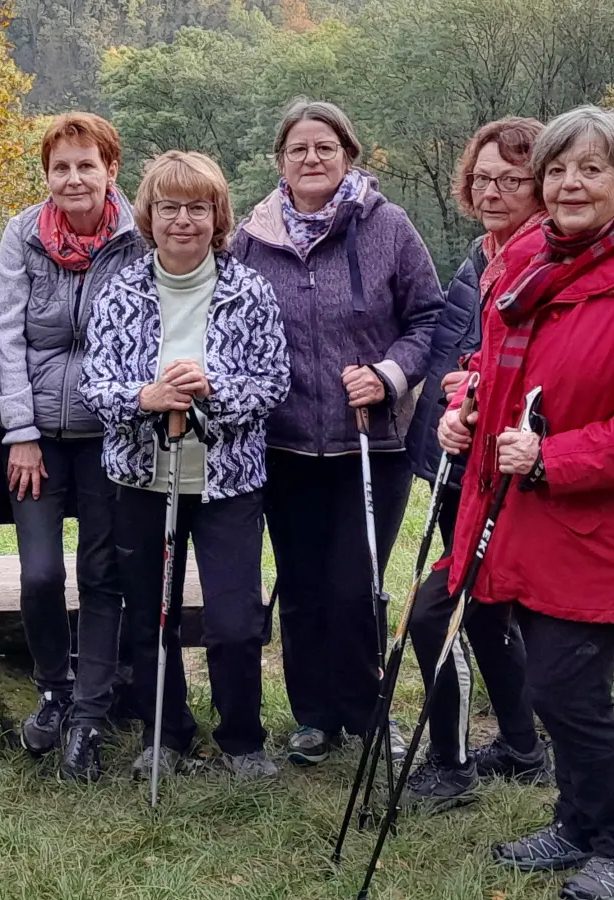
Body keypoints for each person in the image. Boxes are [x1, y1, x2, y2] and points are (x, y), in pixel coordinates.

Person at [440, 105, 614, 900]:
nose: (568, 183)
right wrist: (470, 413)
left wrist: (551, 457)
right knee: (550, 683)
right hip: (526, 513)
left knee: (567, 687)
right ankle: (576, 821)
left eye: (589, 169)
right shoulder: (542, 265)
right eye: (556, 168)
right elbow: (512, 377)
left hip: (597, 524)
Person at [230, 98, 442, 766]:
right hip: (284, 440)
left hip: (368, 441)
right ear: (279, 161)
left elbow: (431, 320)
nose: (311, 159)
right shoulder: (251, 238)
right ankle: (313, 716)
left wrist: (387, 374)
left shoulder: (387, 227)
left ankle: (365, 708)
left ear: (348, 154)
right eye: (298, 149)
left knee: (355, 584)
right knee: (299, 583)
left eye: (324, 147)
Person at [82, 151, 289, 781]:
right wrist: (147, 396)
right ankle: (165, 734)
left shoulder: (249, 289)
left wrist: (212, 388)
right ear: (149, 215)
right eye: (168, 208)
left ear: (217, 215)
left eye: (197, 208)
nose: (182, 221)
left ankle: (242, 741)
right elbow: (97, 385)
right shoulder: (121, 291)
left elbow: (275, 381)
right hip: (143, 478)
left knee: (233, 619)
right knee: (152, 615)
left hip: (227, 480)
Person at [401, 118, 551, 813]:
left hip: (518, 474)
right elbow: (466, 354)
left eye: (510, 179)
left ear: (540, 183)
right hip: (465, 463)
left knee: (435, 612)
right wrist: (458, 397)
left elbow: (544, 374)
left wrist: (478, 397)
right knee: (485, 614)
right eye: (482, 177)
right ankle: (521, 748)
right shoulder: (484, 253)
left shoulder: (544, 262)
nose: (491, 191)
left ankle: (450, 764)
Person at [0, 112, 146, 774]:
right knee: (40, 572)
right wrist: (20, 433)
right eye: (61, 167)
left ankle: (89, 709)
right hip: (39, 441)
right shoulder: (21, 235)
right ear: (46, 174)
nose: (73, 177)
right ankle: (53, 688)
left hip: (112, 432)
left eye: (87, 164)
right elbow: (6, 337)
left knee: (100, 572)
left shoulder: (139, 237)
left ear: (110, 169)